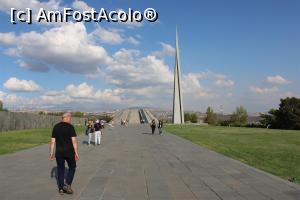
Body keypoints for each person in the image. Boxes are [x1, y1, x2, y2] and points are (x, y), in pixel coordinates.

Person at [50, 112, 79, 195]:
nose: (71, 119)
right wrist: (76, 153)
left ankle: (61, 189)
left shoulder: (56, 127)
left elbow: (52, 141)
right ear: (66, 117)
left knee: (60, 170)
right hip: (69, 152)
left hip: (59, 153)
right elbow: (74, 141)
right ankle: (67, 184)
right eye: (70, 117)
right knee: (72, 167)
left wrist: (51, 153)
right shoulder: (70, 127)